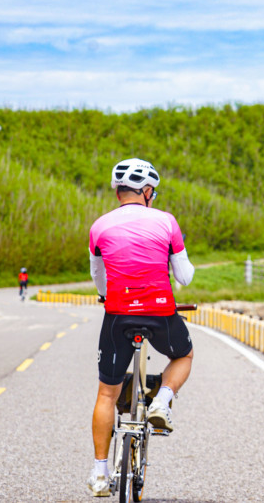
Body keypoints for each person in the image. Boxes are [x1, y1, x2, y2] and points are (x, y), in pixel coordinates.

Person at [85, 158, 195, 497]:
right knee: (184, 355)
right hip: (160, 312)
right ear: (146, 191)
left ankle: (100, 473)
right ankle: (162, 401)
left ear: (118, 191)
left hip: (118, 315)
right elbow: (184, 276)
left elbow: (98, 278)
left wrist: (109, 296)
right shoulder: (166, 221)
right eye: (153, 192)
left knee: (107, 393)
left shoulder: (99, 226)